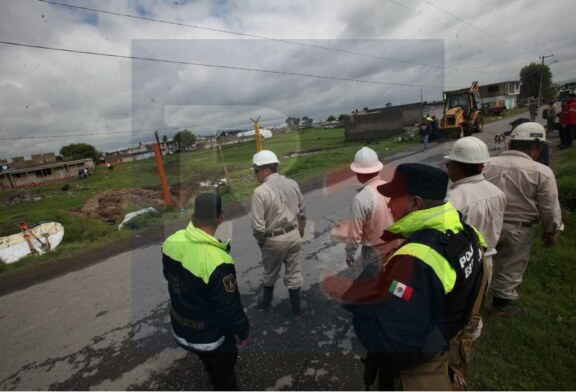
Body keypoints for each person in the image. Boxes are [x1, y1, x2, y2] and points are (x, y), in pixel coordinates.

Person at [327, 163, 487, 390]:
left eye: (394, 198)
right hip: (447, 344)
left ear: (416, 202)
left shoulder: (418, 259)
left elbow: (393, 348)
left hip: (416, 371)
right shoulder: (464, 232)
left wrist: (360, 312)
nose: (389, 204)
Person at [162, 193, 250, 390]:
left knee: (208, 363)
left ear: (192, 217)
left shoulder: (171, 242)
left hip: (182, 328)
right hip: (212, 338)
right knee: (224, 376)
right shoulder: (218, 261)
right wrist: (243, 332)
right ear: (221, 218)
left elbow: (169, 275)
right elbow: (229, 308)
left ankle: (211, 370)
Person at [483, 122, 563, 317]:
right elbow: (549, 206)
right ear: (535, 148)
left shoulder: (487, 164)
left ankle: (473, 300)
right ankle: (501, 305)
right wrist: (551, 230)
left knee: (481, 263)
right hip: (519, 228)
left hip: (486, 223)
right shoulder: (542, 172)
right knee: (511, 265)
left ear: (511, 144)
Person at [251, 150, 307, 318]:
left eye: (256, 170)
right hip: (294, 234)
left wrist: (261, 241)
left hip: (274, 240)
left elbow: (258, 227)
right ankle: (297, 311)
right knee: (294, 273)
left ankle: (266, 305)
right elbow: (302, 211)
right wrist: (301, 229)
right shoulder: (292, 183)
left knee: (270, 273)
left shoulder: (260, 192)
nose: (255, 175)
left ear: (266, 170)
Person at [444, 137, 506, 285]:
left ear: (456, 168)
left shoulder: (452, 199)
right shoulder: (497, 192)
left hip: (462, 264)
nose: (447, 168)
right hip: (487, 261)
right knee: (477, 304)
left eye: (448, 164)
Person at [343, 147, 395, 270]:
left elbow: (355, 234)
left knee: (374, 286)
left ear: (358, 173)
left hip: (375, 253)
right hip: (396, 245)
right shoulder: (391, 188)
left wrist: (349, 254)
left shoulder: (360, 199)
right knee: (395, 283)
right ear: (377, 169)